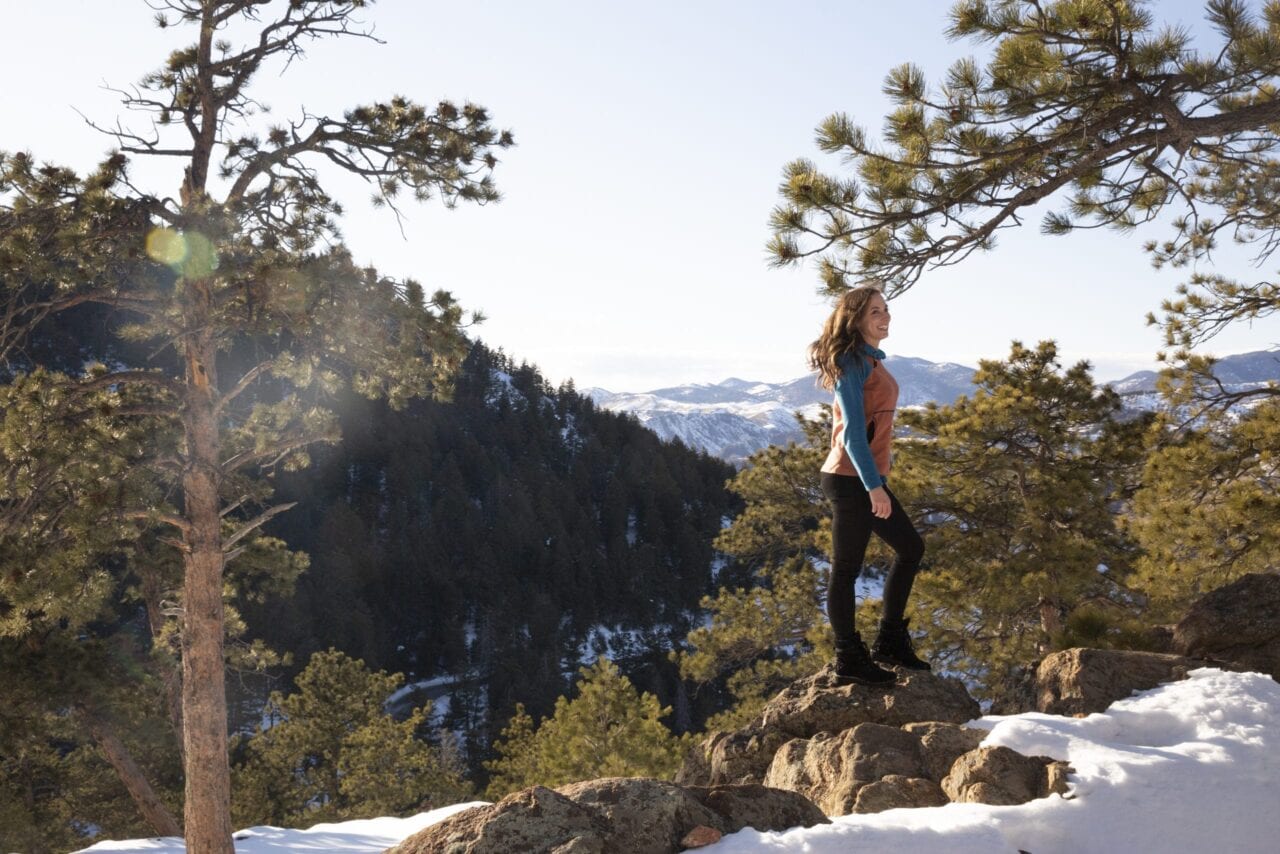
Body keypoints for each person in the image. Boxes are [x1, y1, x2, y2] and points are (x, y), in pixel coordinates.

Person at [808, 283, 929, 686]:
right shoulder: (851, 361)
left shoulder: (870, 361)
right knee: (846, 570)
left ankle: (890, 641)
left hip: (864, 478)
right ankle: (848, 658)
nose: (885, 317)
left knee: (911, 548)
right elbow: (853, 437)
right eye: (875, 311)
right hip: (849, 479)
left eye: (886, 309)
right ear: (856, 318)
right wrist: (874, 487)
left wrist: (876, 482)